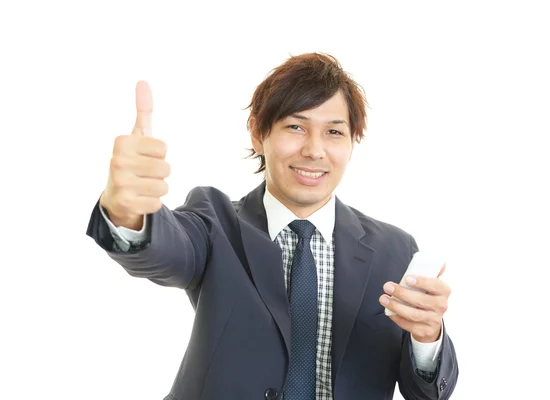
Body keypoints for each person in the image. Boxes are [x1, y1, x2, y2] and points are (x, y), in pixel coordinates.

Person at [86, 52, 458, 400]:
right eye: (295, 126)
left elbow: (425, 392)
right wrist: (128, 212)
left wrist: (427, 338)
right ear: (257, 134)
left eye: (333, 132)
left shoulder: (393, 249)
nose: (314, 150)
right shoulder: (214, 221)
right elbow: (166, 249)